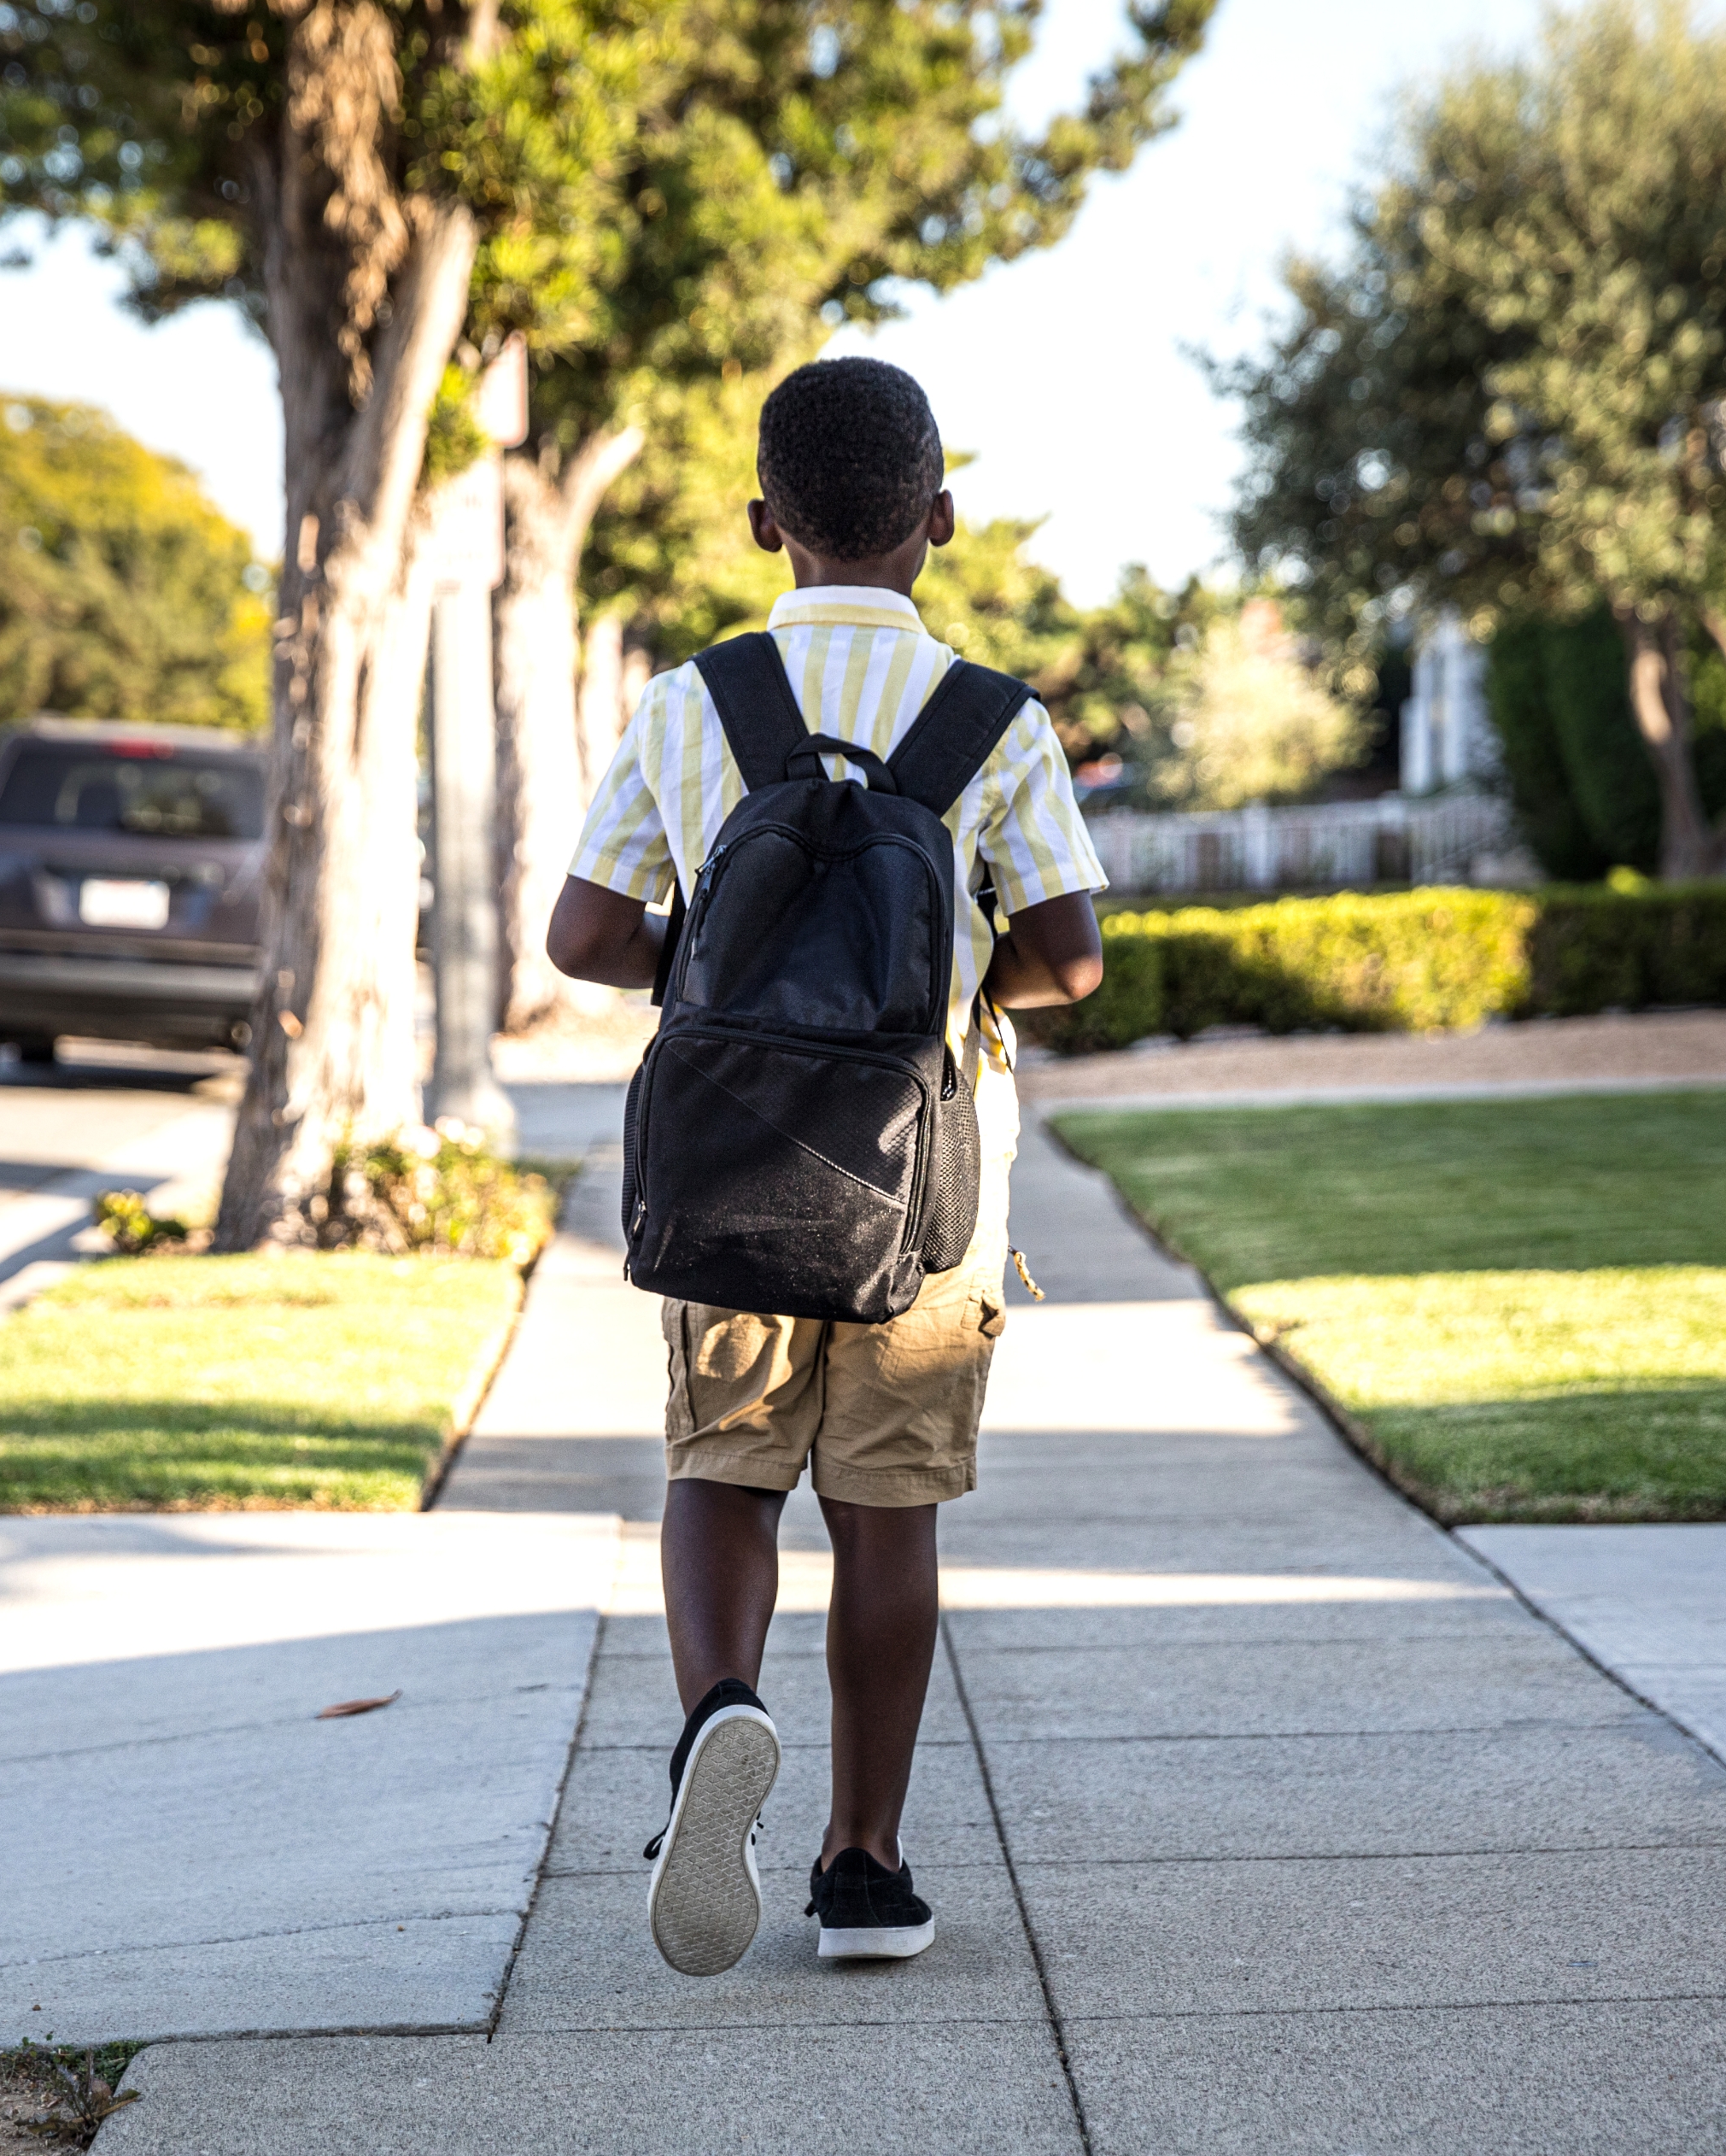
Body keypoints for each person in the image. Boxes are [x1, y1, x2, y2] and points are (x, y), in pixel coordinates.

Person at [545, 356, 1107, 1976]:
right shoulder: (994, 723)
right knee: (887, 1509)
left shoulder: (688, 704)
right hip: (923, 1174)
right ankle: (863, 1869)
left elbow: (582, 935)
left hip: (724, 1160)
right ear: (937, 520)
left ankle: (719, 1711)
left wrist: (719, 971)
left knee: (719, 1466)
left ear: (761, 522)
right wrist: (943, 993)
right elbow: (1069, 960)